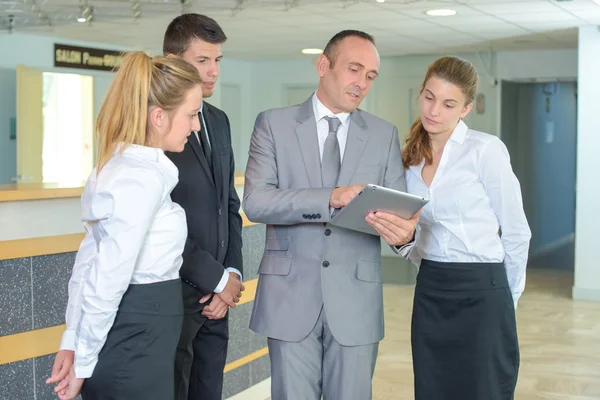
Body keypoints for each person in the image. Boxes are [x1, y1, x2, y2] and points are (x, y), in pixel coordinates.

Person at [243, 30, 419, 400]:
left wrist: (404, 235)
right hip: (289, 299)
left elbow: (398, 214)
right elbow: (257, 201)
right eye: (355, 69)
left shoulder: (384, 135)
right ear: (323, 65)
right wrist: (332, 198)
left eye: (371, 76)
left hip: (357, 302)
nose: (362, 83)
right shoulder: (273, 124)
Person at [44, 51, 204, 400]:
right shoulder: (139, 178)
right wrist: (82, 361)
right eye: (192, 115)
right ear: (159, 116)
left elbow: (89, 259)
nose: (195, 126)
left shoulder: (123, 167)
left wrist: (74, 340)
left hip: (144, 335)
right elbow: (107, 275)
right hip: (136, 338)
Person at [403, 55, 531, 400]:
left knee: (484, 391)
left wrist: (508, 299)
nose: (434, 111)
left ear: (466, 108)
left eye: (448, 104)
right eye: (429, 98)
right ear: (421, 92)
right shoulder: (409, 158)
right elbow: (411, 231)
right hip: (430, 288)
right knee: (432, 390)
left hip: (483, 292)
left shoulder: (485, 151)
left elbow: (517, 231)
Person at [162, 13, 245, 400]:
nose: (213, 72)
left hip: (219, 299)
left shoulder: (219, 121)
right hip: (176, 296)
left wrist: (231, 276)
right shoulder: (155, 127)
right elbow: (161, 223)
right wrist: (215, 280)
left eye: (217, 60)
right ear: (172, 60)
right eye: (202, 61)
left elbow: (229, 205)